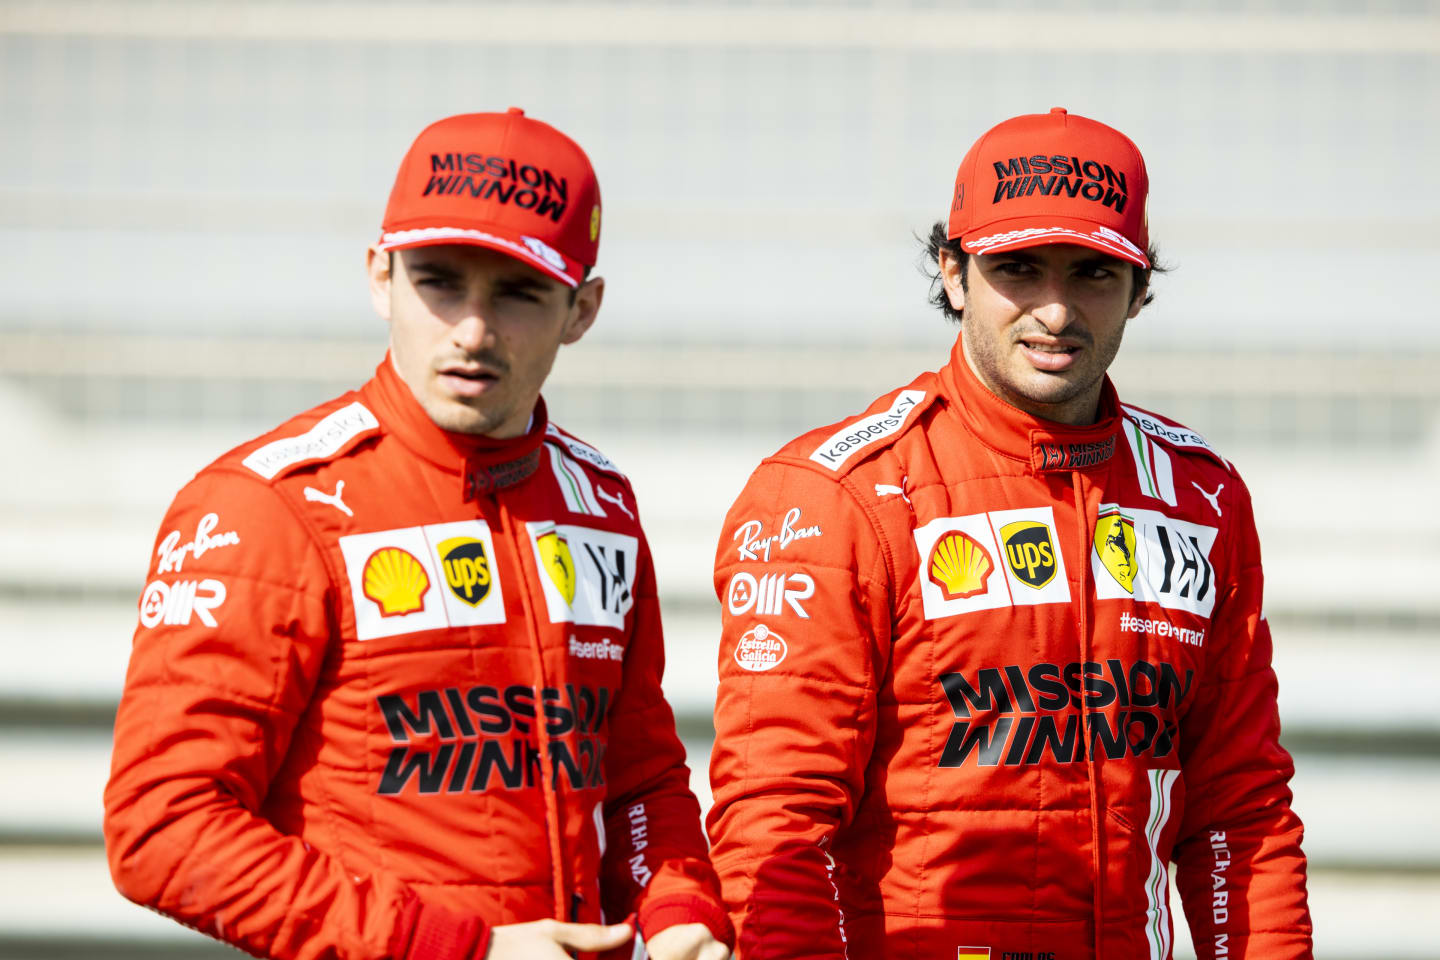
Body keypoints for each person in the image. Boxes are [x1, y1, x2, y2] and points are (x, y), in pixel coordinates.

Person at [104, 108, 732, 960]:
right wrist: (456, 951)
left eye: (517, 293)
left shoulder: (601, 503)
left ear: (581, 309)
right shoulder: (266, 506)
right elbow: (162, 827)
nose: (473, 331)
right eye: (439, 282)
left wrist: (681, 909)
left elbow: (637, 779)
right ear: (379, 277)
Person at [706, 108, 1311, 959]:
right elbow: (774, 822)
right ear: (954, 274)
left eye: (1093, 272)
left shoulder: (1199, 496)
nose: (1056, 310)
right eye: (1019, 269)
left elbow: (1239, 812)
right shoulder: (840, 494)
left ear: (1141, 289)